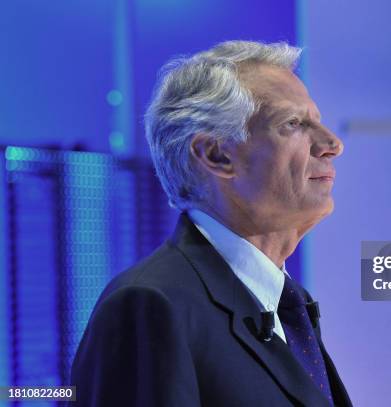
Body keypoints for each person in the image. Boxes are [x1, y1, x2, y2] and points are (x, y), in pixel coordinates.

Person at [70, 41, 351, 406]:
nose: (332, 144)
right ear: (216, 155)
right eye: (294, 124)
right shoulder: (151, 305)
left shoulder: (286, 304)